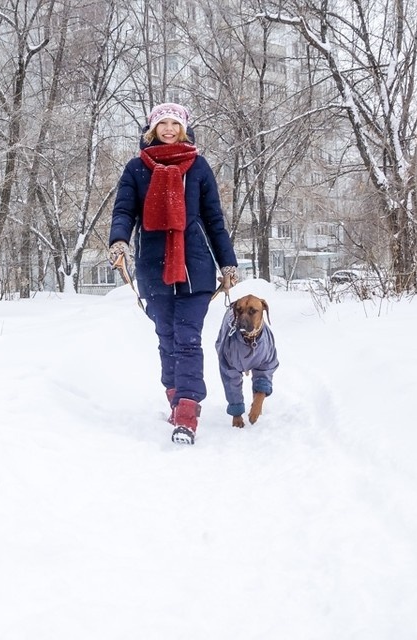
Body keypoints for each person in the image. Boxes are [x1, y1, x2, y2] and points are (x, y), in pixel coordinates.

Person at [108, 102, 239, 445]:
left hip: (194, 266)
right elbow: (124, 211)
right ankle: (175, 392)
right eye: (162, 123)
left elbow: (214, 220)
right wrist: (119, 242)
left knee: (187, 338)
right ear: (152, 129)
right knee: (167, 337)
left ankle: (187, 410)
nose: (168, 128)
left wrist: (227, 263)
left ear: (183, 128)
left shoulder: (197, 167)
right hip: (153, 266)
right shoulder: (137, 168)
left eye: (174, 123)